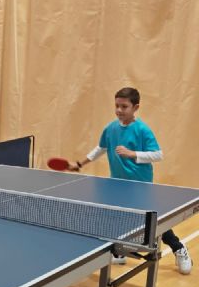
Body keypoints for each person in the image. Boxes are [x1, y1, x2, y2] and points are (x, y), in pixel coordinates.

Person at [66, 87, 192, 274]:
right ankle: (120, 252)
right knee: (117, 218)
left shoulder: (142, 129)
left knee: (153, 224)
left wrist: (132, 154)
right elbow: (101, 148)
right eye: (117, 106)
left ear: (136, 107)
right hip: (117, 184)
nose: (119, 110)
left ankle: (179, 248)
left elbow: (158, 155)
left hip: (140, 185)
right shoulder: (110, 128)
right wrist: (79, 164)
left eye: (124, 106)